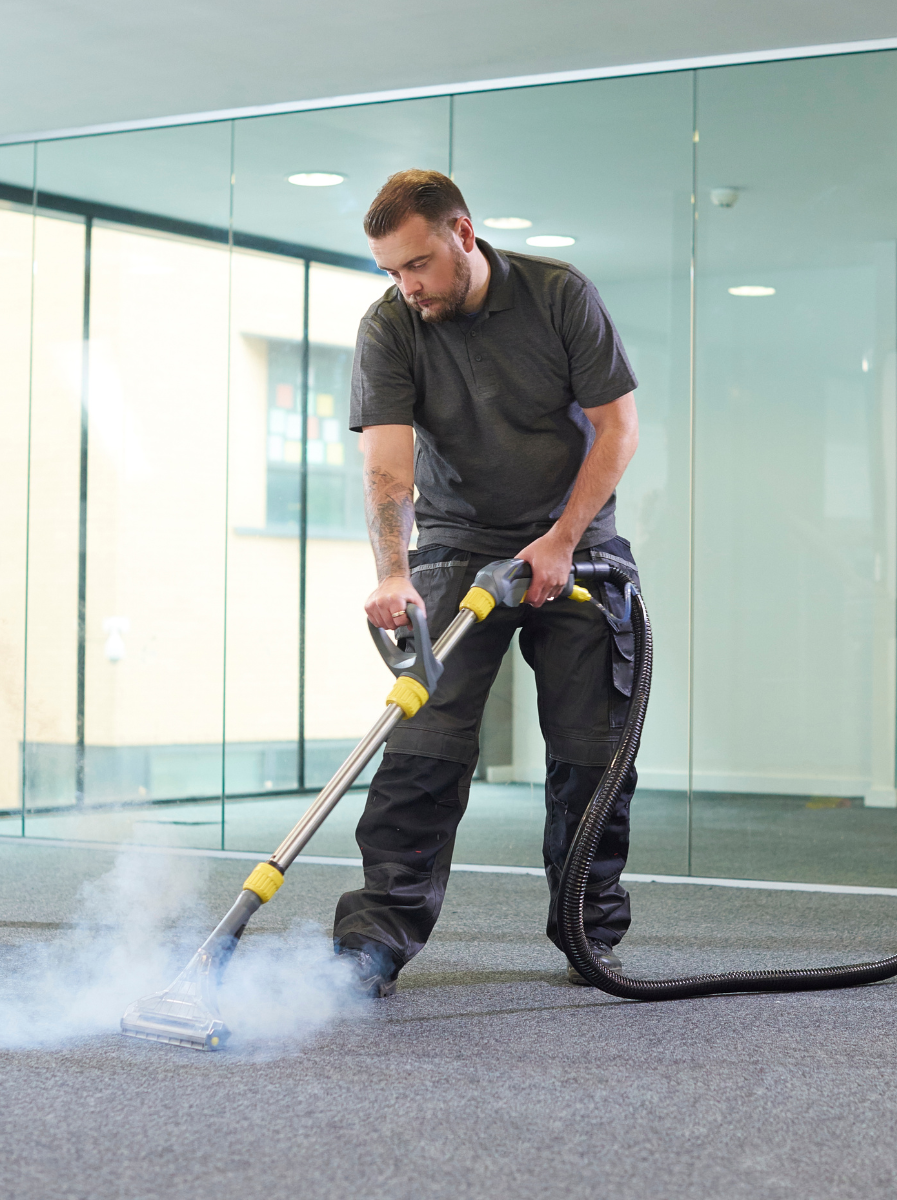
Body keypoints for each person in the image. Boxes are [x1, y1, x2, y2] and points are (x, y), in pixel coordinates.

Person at [332, 169, 642, 996]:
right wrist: (393, 574)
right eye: (391, 271)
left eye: (419, 264)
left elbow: (618, 429)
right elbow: (388, 465)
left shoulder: (558, 296)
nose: (409, 286)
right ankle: (375, 939)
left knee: (591, 754)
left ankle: (586, 928)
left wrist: (561, 540)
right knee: (422, 748)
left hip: (575, 546)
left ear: (463, 234)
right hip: (459, 543)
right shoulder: (391, 325)